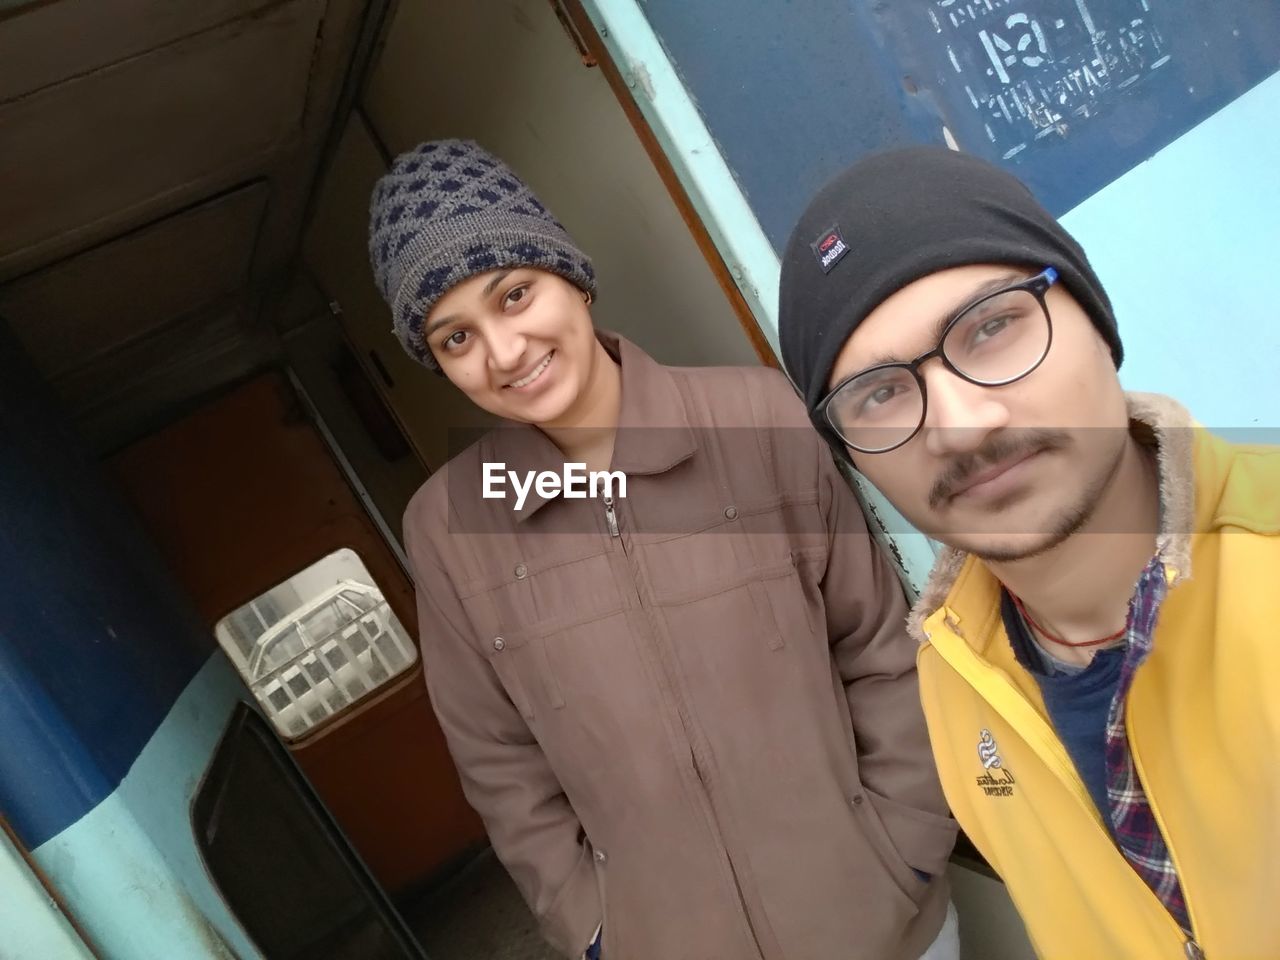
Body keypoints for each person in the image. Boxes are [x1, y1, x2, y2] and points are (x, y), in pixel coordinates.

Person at [367, 139, 959, 959]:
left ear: (569, 276)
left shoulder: (756, 416)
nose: (504, 353)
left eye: (514, 295)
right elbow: (501, 766)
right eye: (455, 338)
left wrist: (905, 850)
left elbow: (879, 648)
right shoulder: (446, 527)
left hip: (886, 926)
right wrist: (594, 934)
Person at [777, 145, 1280, 960]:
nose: (961, 425)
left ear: (1094, 318)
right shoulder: (951, 668)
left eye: (992, 327)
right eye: (879, 394)